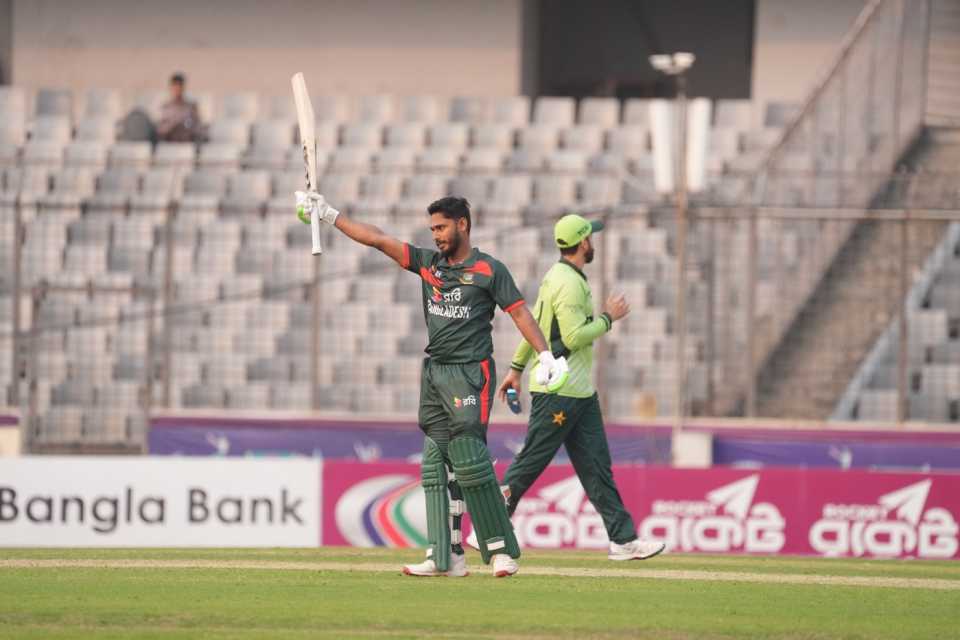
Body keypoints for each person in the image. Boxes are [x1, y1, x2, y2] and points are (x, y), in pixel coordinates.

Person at [295, 191, 568, 577]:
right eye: (432, 228)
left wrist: (544, 355)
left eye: (441, 227)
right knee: (434, 466)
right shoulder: (429, 264)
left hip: (472, 372)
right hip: (436, 373)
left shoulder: (490, 270)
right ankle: (445, 557)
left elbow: (519, 312)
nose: (436, 235)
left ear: (463, 225)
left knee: (471, 460)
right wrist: (328, 214)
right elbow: (378, 239)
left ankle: (501, 551)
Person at [494, 213, 666, 561]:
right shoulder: (569, 282)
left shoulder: (557, 276)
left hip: (579, 393)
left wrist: (515, 368)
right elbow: (572, 337)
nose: (593, 243)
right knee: (529, 463)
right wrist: (607, 319)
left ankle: (622, 538)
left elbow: (535, 327)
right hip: (561, 391)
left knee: (597, 469)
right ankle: (492, 528)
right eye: (591, 238)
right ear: (583, 242)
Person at [156, 72, 203, 143]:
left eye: (180, 86)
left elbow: (198, 126)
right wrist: (172, 124)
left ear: (183, 87)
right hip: (170, 141)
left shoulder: (191, 106)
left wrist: (187, 126)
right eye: (175, 86)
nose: (177, 90)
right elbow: (160, 129)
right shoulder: (165, 107)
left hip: (187, 140)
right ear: (171, 88)